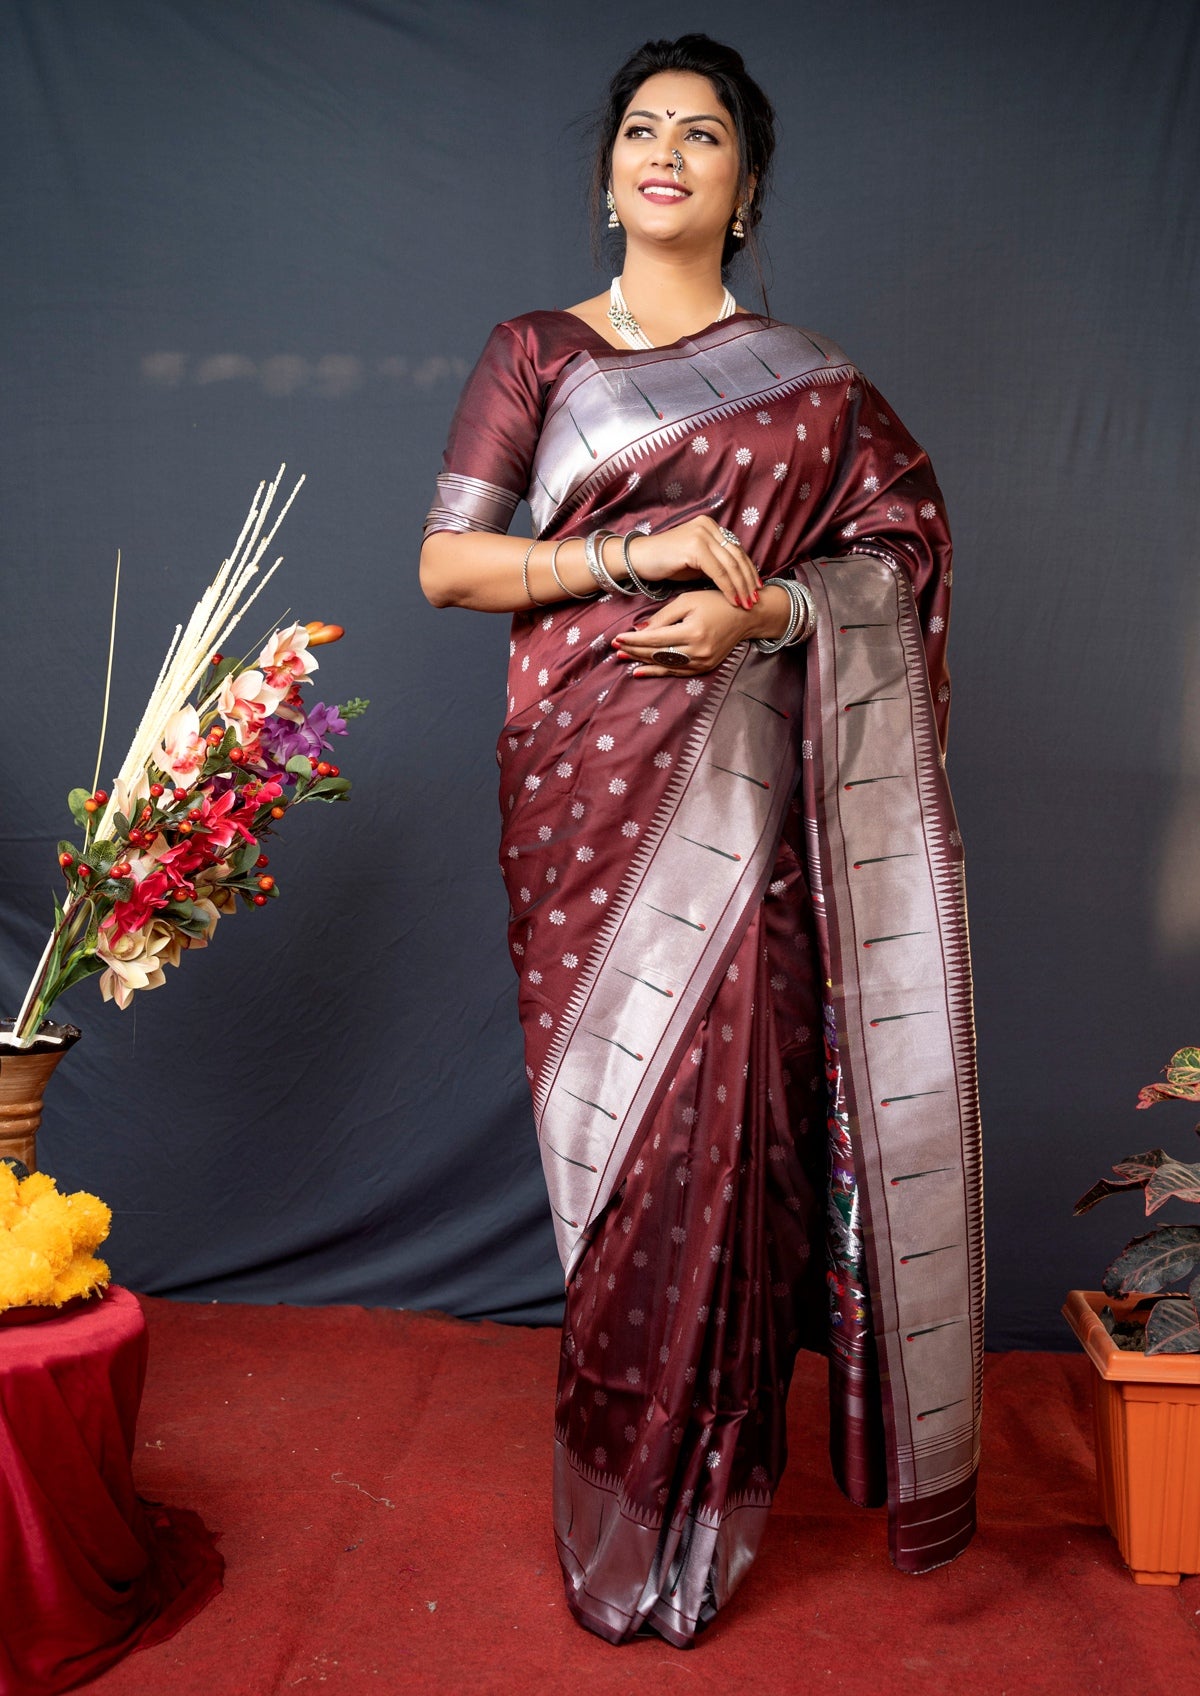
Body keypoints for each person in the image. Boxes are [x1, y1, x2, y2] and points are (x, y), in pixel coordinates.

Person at [420, 33, 983, 1649]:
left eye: (707, 134)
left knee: (730, 1145)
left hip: (757, 802)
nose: (668, 152)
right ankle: (616, 1498)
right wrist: (631, 556)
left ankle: (708, 1510)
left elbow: (901, 557)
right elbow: (452, 569)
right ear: (607, 172)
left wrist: (777, 608)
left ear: (746, 189)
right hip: (585, 789)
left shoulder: (817, 381)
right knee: (625, 1150)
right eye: (644, 130)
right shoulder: (536, 350)